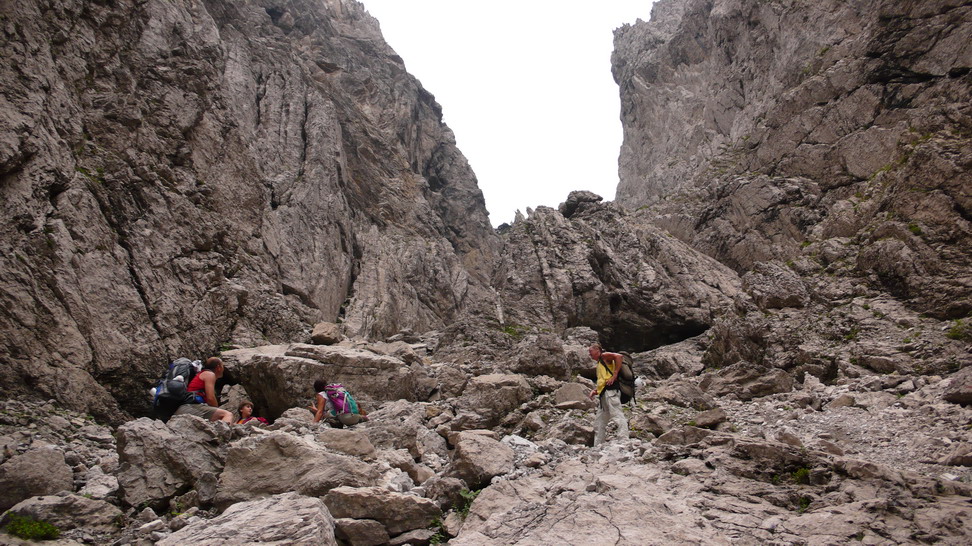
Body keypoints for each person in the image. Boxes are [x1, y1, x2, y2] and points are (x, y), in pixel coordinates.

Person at [587, 343, 629, 446]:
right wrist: (596, 391)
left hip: (611, 392)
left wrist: (614, 375)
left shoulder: (604, 356)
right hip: (604, 393)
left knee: (617, 414)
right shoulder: (600, 363)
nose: (590, 354)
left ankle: (624, 440)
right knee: (599, 422)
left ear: (597, 350)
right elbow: (604, 380)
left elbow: (619, 356)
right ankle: (598, 445)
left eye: (590, 352)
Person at [173, 357, 233, 423]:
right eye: (222, 366)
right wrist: (216, 409)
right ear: (218, 367)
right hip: (190, 407)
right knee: (227, 415)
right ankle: (224, 432)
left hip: (186, 407)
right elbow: (210, 398)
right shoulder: (209, 374)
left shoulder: (202, 374)